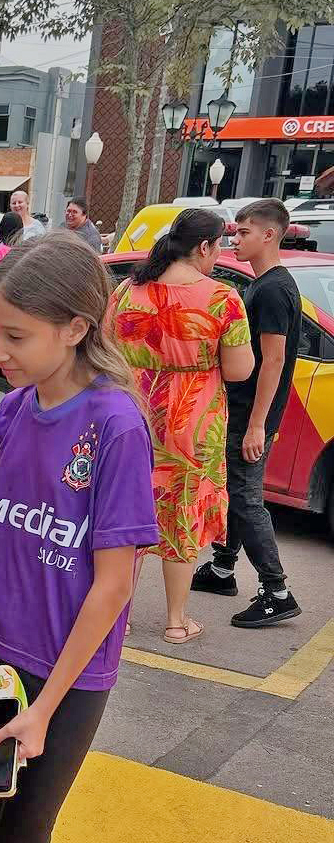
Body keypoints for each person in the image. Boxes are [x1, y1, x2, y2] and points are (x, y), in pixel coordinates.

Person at [0, 232, 159, 843]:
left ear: (74, 328)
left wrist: (43, 710)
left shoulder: (114, 425)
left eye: (16, 336)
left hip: (65, 678)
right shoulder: (13, 409)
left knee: (24, 831)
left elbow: (115, 585)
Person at [108, 209, 254, 644]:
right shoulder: (222, 299)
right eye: (219, 245)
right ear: (205, 247)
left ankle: (118, 617)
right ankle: (175, 621)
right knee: (181, 514)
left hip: (131, 414)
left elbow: (103, 349)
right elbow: (240, 369)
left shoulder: (126, 291)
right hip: (191, 422)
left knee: (124, 513)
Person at [192, 199, 303, 627]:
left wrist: (257, 423)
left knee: (244, 495)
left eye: (243, 233)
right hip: (244, 410)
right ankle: (223, 568)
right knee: (233, 489)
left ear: (269, 235)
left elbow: (273, 360)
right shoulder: (265, 284)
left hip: (251, 414)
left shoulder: (274, 288)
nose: (234, 240)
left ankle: (277, 591)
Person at [0, 189, 45, 256]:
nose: (17, 205)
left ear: (27, 204)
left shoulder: (37, 227)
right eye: (13, 203)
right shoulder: (2, 221)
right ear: (10, 205)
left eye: (20, 202)